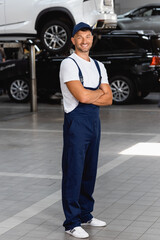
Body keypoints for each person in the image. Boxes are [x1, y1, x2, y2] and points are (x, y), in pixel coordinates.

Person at [60, 22, 113, 239]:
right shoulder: (69, 63)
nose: (84, 41)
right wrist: (96, 94)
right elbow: (81, 97)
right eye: (80, 37)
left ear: (92, 39)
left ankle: (85, 214)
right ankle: (71, 222)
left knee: (89, 171)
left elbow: (109, 98)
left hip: (94, 123)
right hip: (76, 124)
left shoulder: (99, 66)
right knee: (74, 171)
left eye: (88, 36)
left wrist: (91, 95)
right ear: (73, 40)